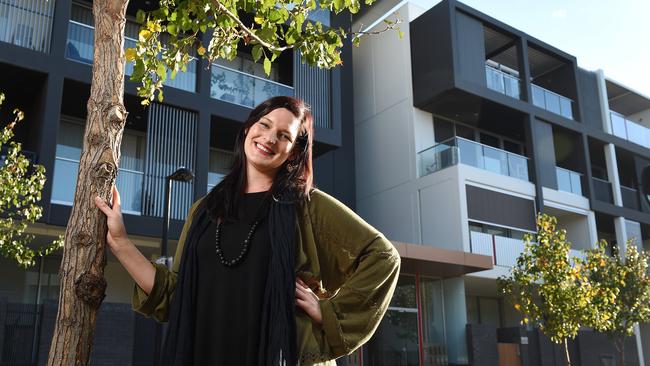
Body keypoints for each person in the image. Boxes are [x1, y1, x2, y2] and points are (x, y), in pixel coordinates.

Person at [95, 96, 400, 365]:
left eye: (284, 136)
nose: (269, 138)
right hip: (206, 354)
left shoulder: (307, 206)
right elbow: (178, 296)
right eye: (264, 125)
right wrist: (120, 242)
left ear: (293, 153)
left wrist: (329, 312)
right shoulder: (204, 210)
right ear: (247, 129)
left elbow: (383, 257)